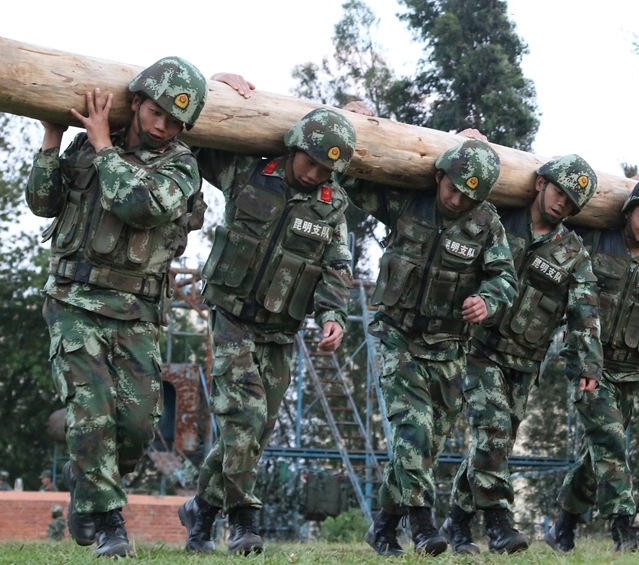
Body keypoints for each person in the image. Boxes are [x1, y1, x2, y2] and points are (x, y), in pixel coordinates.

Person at [26, 56, 207, 558]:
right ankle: (109, 523)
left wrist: (104, 144)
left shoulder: (180, 166)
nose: (162, 126)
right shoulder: (87, 143)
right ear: (138, 102)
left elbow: (138, 205)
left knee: (135, 427)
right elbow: (42, 203)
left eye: (174, 121)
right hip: (73, 300)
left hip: (137, 312)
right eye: (156, 113)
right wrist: (50, 138)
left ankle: (87, 489)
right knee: (91, 412)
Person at [177, 73, 355, 556]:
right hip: (232, 313)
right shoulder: (248, 173)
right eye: (312, 163)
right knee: (246, 415)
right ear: (295, 147)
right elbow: (193, 133)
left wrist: (334, 313)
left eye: (326, 170)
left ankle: (201, 514)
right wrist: (211, 88)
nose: (317, 174)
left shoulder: (331, 204)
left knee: (254, 430)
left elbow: (338, 263)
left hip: (282, 328)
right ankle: (244, 520)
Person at [335, 132, 518, 557]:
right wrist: (354, 123)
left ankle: (382, 528)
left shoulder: (486, 222)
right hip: (398, 335)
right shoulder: (407, 202)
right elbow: (352, 178)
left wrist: (487, 300)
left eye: (469, 195)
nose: (457, 200)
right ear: (440, 175)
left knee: (426, 445)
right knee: (412, 429)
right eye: (453, 188)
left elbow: (504, 278)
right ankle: (422, 526)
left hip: (450, 346)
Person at [442, 155, 603, 555]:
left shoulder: (572, 252)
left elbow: (585, 309)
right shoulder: (497, 220)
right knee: (493, 431)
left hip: (525, 360)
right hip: (477, 348)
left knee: (493, 444)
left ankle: (457, 523)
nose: (562, 203)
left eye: (571, 201)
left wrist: (588, 362)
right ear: (540, 184)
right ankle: (499, 525)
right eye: (558, 191)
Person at [545, 177, 639, 552]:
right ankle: (623, 530)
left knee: (598, 454)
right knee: (610, 442)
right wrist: (588, 365)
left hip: (631, 372)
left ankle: (563, 526)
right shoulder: (594, 243)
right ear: (628, 214)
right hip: (588, 366)